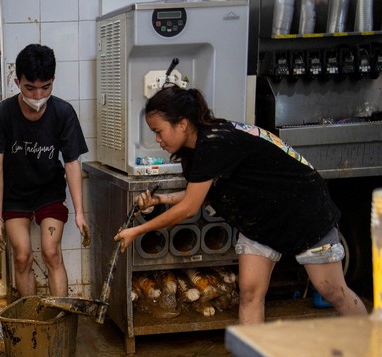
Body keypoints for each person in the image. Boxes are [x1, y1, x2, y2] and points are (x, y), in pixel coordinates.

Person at [115, 85, 367, 324]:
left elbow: (190, 207)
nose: (157, 139)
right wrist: (160, 200)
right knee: (249, 293)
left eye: (158, 131)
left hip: (302, 211)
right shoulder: (200, 145)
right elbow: (200, 193)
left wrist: (137, 231)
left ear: (182, 123)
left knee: (332, 290)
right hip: (261, 217)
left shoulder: (214, 142)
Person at [0, 43, 90, 297]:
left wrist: (80, 213)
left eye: (45, 88)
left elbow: (72, 164)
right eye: (30, 88)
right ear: (17, 81)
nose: (38, 96)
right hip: (15, 195)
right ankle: (31, 319)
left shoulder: (63, 113)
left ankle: (61, 317)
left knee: (52, 252)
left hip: (49, 192)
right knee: (21, 256)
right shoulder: (0, 115)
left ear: (53, 81)